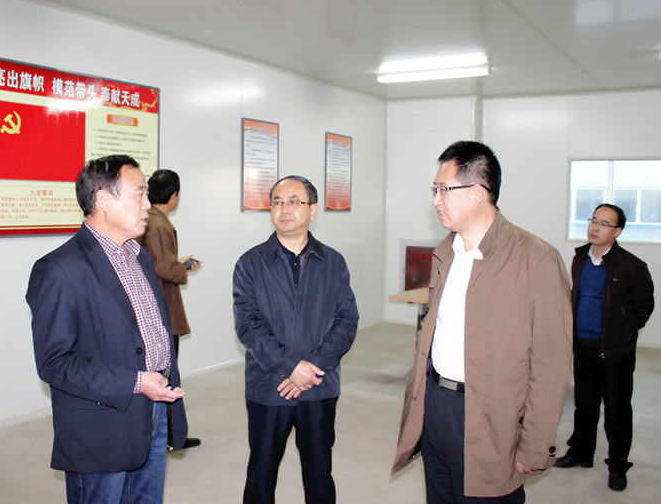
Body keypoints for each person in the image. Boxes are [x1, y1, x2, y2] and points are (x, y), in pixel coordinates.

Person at [391, 141, 573, 503]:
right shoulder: (447, 253)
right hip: (436, 404)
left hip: (490, 416)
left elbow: (551, 364)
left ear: (477, 193)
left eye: (443, 189)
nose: (436, 200)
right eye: (434, 190)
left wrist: (535, 444)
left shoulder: (536, 259)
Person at [26, 154, 188, 504]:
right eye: (139, 193)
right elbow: (54, 363)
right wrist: (137, 382)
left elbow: (154, 335)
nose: (148, 204)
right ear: (103, 200)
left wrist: (171, 417)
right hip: (101, 428)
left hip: (154, 411)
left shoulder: (140, 257)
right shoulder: (59, 269)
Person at [233, 175, 359, 504]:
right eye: (277, 202)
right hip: (268, 387)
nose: (284, 209)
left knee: (319, 476)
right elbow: (248, 326)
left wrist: (311, 367)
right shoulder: (250, 263)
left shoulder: (333, 262)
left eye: (293, 201)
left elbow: (347, 321)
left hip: (318, 386)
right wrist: (290, 367)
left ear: (312, 209)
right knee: (261, 476)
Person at [554, 203, 654, 492]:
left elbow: (643, 307)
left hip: (615, 352)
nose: (595, 228)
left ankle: (618, 466)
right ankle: (581, 453)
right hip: (583, 345)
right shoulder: (580, 258)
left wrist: (622, 333)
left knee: (617, 411)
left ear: (617, 231)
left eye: (604, 224)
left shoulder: (631, 265)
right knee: (584, 405)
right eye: (593, 221)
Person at [138, 168, 202, 449]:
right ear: (174, 195)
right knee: (167, 371)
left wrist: (177, 262)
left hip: (151, 305)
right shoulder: (160, 224)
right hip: (162, 307)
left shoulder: (148, 219)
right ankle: (171, 435)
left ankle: (162, 432)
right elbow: (164, 267)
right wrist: (182, 268)